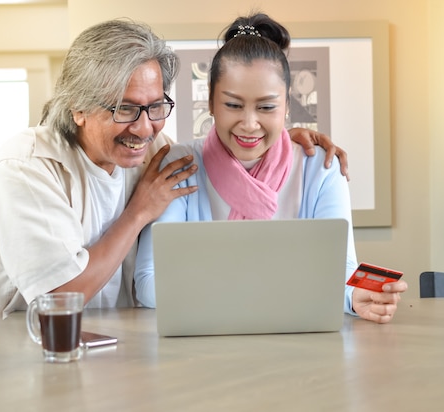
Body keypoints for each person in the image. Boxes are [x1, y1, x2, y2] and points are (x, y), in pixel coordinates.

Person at [0, 18, 348, 345]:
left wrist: (285, 137)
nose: (145, 126)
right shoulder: (28, 166)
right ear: (78, 107)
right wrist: (138, 213)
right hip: (20, 360)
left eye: (155, 107)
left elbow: (237, 135)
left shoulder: (153, 152)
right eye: (125, 108)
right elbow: (60, 297)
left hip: (111, 360)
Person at [134, 13, 407, 324]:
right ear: (210, 102)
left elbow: (340, 271)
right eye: (233, 105)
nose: (249, 124)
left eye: (266, 107)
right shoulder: (181, 164)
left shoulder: (320, 168)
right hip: (204, 344)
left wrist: (356, 297)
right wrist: (274, 290)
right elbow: (147, 282)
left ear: (287, 106)